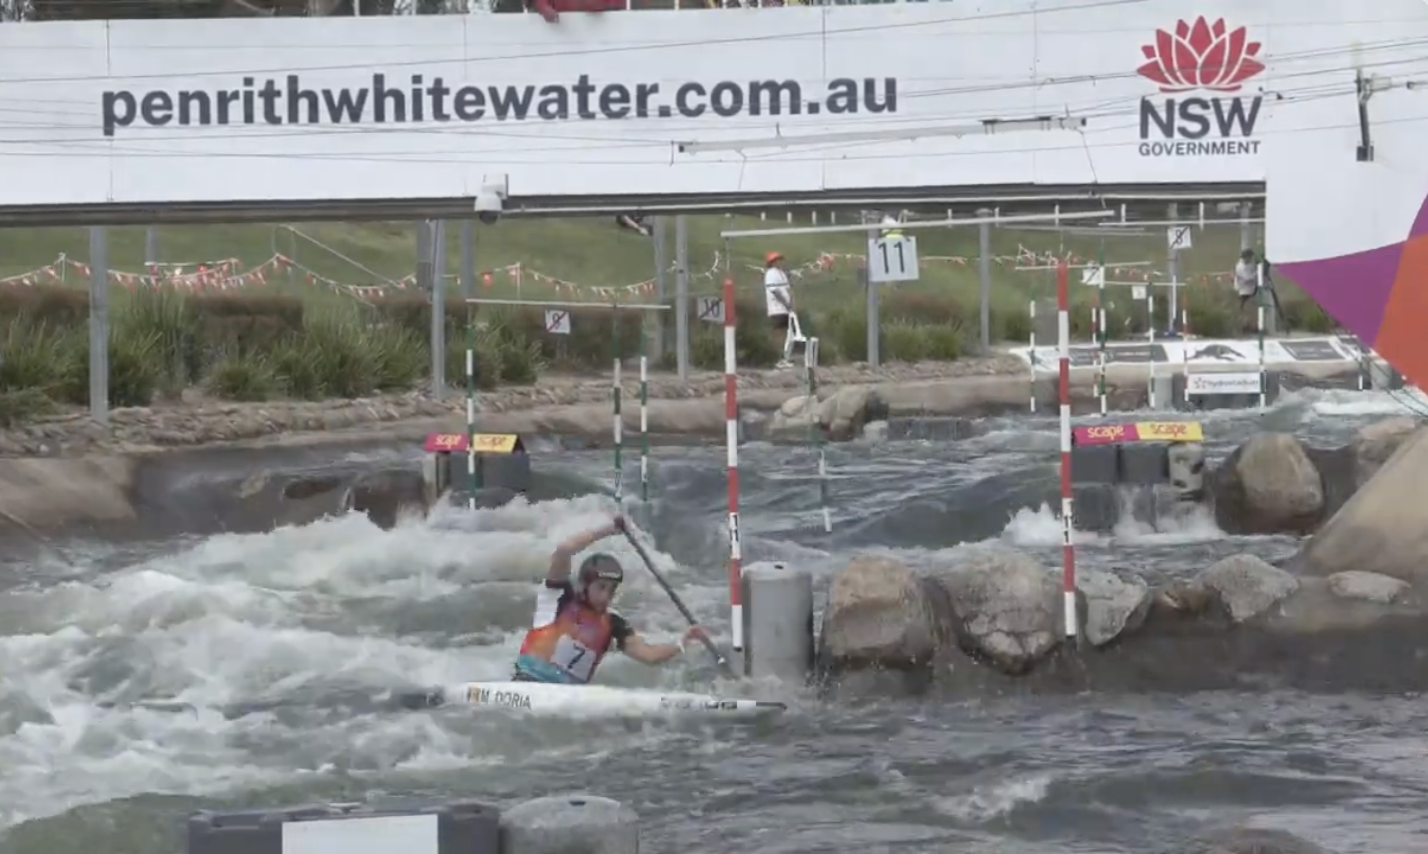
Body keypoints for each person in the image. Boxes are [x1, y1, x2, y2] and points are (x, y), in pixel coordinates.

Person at [512, 514, 708, 684]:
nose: (606, 596)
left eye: (612, 590)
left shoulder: (613, 624)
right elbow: (564, 549)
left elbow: (649, 656)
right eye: (601, 588)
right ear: (584, 584)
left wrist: (683, 641)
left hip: (564, 698)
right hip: (527, 682)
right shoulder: (558, 598)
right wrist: (609, 529)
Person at [764, 251, 798, 368]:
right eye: (777, 260)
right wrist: (786, 303)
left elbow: (788, 289)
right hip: (777, 308)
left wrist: (791, 304)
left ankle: (785, 357)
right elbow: (774, 290)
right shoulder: (771, 273)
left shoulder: (782, 273)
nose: (780, 262)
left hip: (785, 309)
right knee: (779, 334)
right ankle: (779, 358)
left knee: (788, 334)